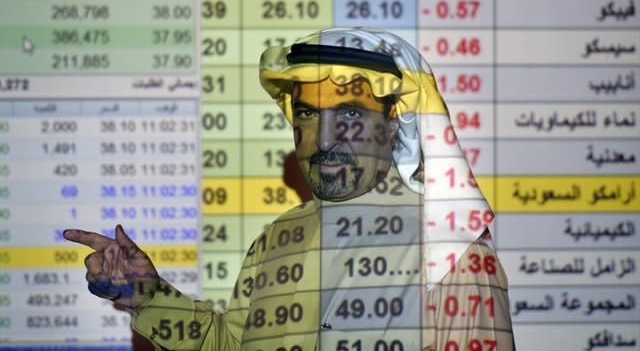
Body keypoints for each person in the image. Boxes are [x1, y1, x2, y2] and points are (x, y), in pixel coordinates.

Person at [64, 28, 514, 350]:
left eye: (351, 115)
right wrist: (149, 297)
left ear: (395, 123)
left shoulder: (452, 251)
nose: (323, 138)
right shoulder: (277, 239)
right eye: (307, 114)